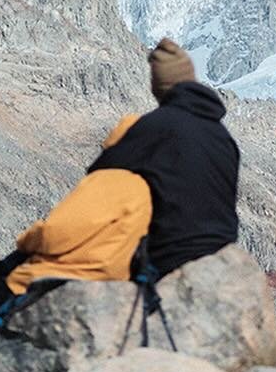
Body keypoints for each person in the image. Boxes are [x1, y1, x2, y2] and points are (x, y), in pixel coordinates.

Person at [0, 35, 239, 365]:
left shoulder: (153, 133)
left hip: (163, 260)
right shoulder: (224, 138)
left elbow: (80, 206)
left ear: (159, 85)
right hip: (220, 253)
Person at [86, 37, 240, 278]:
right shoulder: (223, 137)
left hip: (172, 258)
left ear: (158, 84)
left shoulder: (156, 127)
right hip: (224, 256)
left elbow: (100, 174)